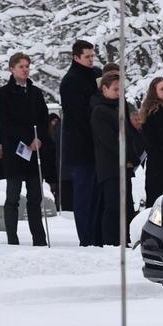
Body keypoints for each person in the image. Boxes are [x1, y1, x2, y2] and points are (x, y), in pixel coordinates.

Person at [0, 53, 52, 246]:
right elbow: (5, 122)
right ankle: (12, 238)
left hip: (34, 150)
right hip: (16, 150)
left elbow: (44, 118)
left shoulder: (35, 92)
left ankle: (39, 238)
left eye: (27, 66)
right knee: (12, 197)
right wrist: (27, 139)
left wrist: (39, 138)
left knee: (35, 197)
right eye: (21, 66)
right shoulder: (3, 93)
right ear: (12, 68)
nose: (25, 69)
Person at [91, 67, 142, 246]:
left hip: (124, 165)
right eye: (115, 89)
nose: (119, 93)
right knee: (113, 206)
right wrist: (127, 158)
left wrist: (133, 158)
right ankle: (111, 242)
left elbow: (128, 135)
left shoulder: (120, 108)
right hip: (111, 166)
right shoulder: (99, 111)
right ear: (104, 89)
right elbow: (110, 140)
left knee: (127, 206)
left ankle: (126, 240)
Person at [59, 40, 102, 244]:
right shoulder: (70, 81)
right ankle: (86, 237)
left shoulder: (95, 74)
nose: (91, 60)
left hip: (96, 144)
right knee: (84, 194)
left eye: (92, 56)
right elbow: (78, 114)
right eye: (87, 57)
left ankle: (94, 235)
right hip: (80, 144)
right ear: (76, 57)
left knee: (95, 194)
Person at [138, 76, 163, 206]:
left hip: (156, 165)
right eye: (162, 89)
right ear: (154, 92)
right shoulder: (158, 112)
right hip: (162, 166)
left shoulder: (159, 109)